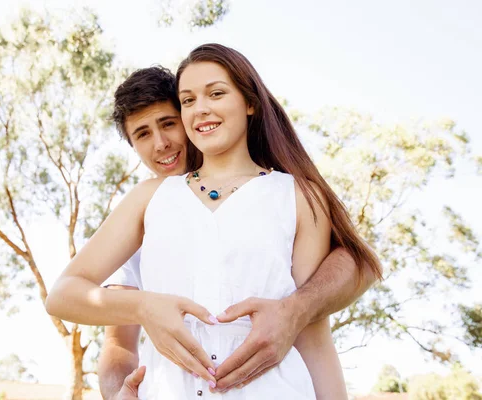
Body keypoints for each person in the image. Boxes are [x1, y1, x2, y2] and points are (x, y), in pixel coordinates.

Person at [46, 44, 382, 399]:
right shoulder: (149, 199)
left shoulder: (298, 196)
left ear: (249, 102)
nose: (201, 108)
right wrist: (144, 307)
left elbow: (313, 337)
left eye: (216, 93)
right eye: (188, 100)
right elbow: (68, 298)